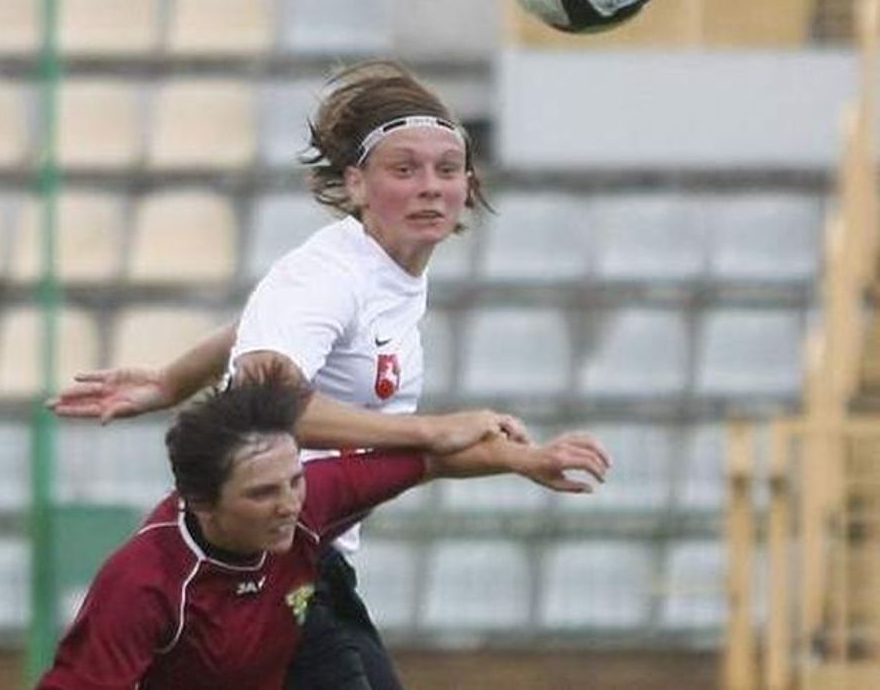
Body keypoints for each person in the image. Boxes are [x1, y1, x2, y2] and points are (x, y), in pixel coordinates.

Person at [50, 60, 543, 688]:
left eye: (446, 170)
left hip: (306, 554)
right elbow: (268, 399)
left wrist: (174, 380)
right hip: (271, 552)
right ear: (357, 183)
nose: (429, 186)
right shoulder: (329, 278)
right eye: (404, 169)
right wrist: (432, 431)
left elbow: (266, 326)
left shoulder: (379, 271)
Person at [39, 373, 611, 690]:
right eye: (263, 493)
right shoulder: (143, 583)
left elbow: (431, 460)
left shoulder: (311, 503)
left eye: (293, 480)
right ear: (201, 503)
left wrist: (525, 460)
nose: (288, 504)